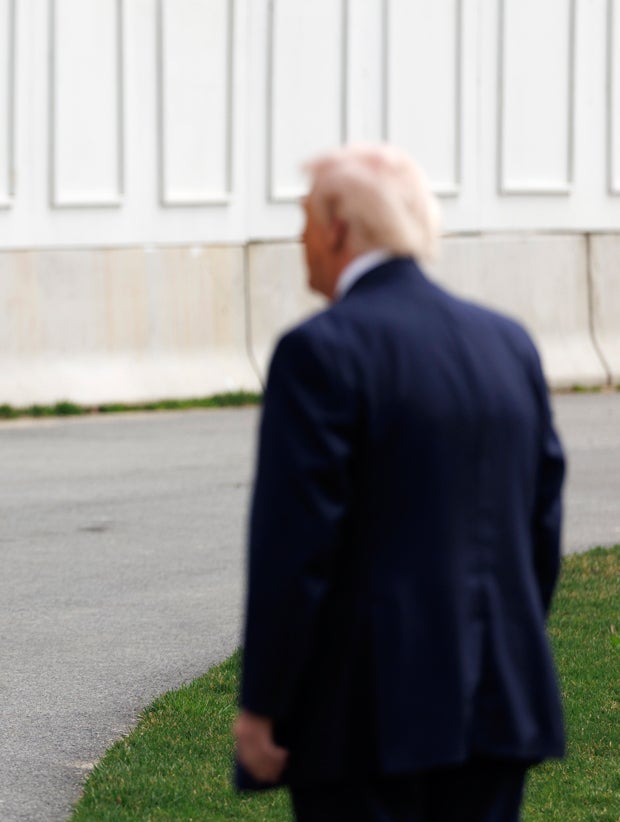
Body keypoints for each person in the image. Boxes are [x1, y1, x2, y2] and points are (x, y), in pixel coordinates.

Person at [232, 143, 566, 819]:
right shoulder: (508, 342)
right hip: (499, 702)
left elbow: (297, 549)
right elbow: (540, 529)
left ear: (335, 228)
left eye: (302, 220)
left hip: (367, 719)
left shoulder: (319, 352)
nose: (299, 238)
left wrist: (264, 704)